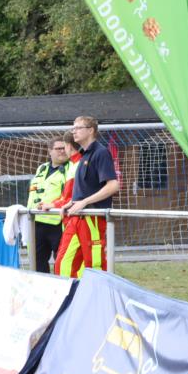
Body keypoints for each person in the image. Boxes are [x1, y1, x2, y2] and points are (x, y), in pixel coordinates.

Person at [55, 116, 120, 278]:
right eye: (73, 128)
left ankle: (99, 300)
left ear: (90, 130)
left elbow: (113, 185)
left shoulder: (101, 153)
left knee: (95, 265)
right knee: (63, 263)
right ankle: (73, 299)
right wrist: (71, 203)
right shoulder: (83, 155)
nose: (74, 131)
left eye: (78, 128)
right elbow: (85, 189)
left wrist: (84, 202)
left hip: (93, 218)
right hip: (77, 217)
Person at [27, 137, 69, 273]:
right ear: (50, 151)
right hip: (36, 222)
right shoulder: (42, 168)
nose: (62, 151)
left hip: (57, 223)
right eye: (58, 148)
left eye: (64, 148)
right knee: (37, 262)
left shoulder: (70, 169)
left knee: (62, 261)